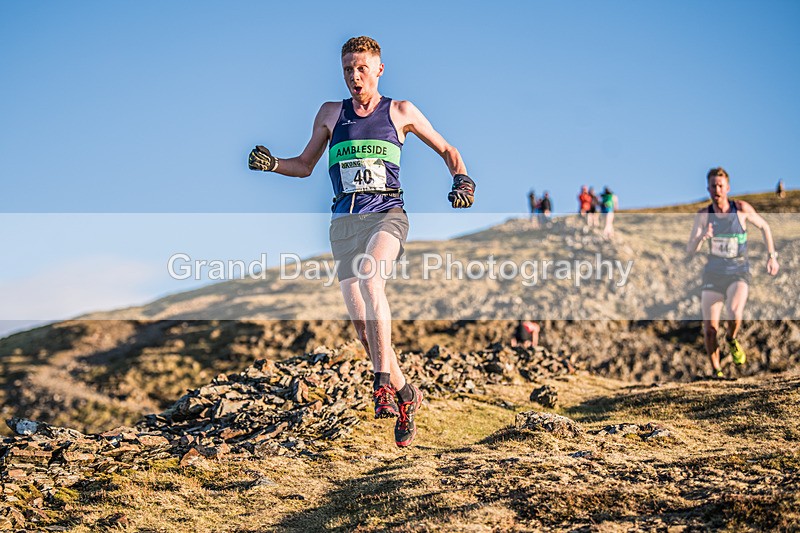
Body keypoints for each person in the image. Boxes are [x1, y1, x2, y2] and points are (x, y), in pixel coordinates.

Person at [248, 36, 474, 447]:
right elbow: (303, 166)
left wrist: (462, 178)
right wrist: (273, 165)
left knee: (372, 281)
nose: (355, 76)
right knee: (363, 331)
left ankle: (383, 385)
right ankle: (408, 395)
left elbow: (448, 148)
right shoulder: (331, 114)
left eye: (362, 68)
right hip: (343, 223)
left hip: (387, 214)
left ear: (379, 70)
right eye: (349, 69)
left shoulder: (400, 111)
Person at [686, 167, 779, 378]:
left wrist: (772, 256)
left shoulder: (741, 209)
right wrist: (702, 237)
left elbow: (764, 227)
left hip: (738, 271)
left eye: (720, 185)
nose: (717, 189)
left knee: (734, 312)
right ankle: (717, 371)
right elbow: (690, 250)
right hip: (713, 274)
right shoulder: (703, 215)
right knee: (710, 329)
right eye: (713, 186)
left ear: (727, 187)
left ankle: (731, 339)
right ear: (708, 189)